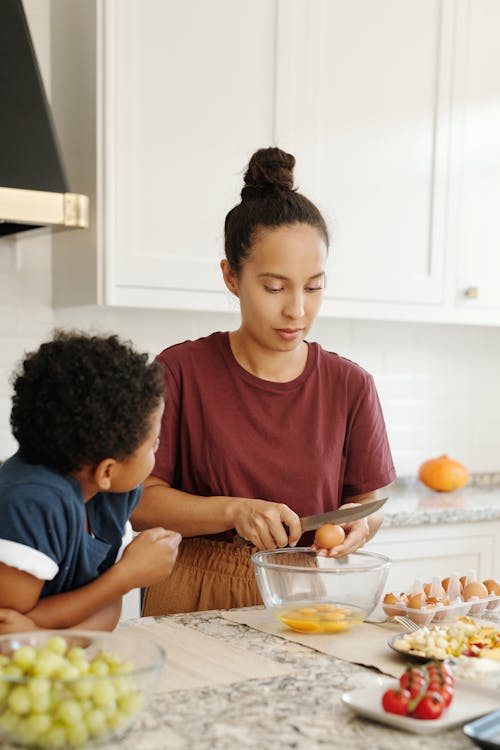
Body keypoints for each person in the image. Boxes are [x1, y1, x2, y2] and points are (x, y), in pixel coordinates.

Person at [132, 146, 396, 615]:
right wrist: (234, 511)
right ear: (231, 277)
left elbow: (365, 503)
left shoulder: (351, 385)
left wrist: (361, 528)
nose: (297, 309)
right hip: (193, 591)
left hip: (302, 597)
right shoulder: (178, 372)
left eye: (314, 286)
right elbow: (140, 504)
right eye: (274, 287)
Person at [0, 331, 181, 634]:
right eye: (154, 444)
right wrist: (126, 577)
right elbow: (8, 632)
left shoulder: (115, 492)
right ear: (107, 471)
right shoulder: (31, 503)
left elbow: (106, 612)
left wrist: (41, 631)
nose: (157, 451)